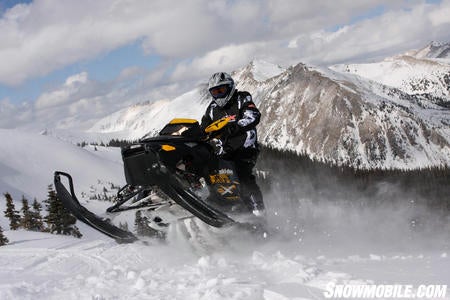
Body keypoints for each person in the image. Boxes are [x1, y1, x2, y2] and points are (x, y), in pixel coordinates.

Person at [200, 72, 265, 216]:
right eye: (215, 92)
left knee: (243, 176)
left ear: (230, 88)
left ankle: (258, 212)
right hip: (224, 151)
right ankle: (217, 203)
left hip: (245, 148)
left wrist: (235, 126)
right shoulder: (212, 108)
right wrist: (198, 134)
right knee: (209, 171)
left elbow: (253, 115)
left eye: (221, 90)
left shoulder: (242, 98)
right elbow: (204, 127)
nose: (218, 95)